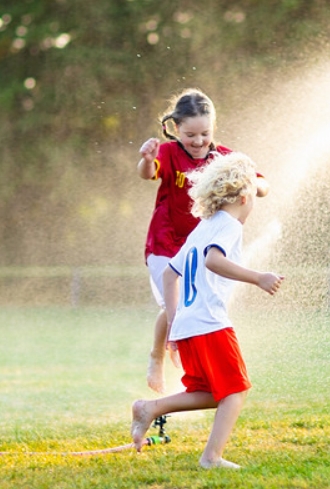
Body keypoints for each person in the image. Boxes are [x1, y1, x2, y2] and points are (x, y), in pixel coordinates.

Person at [131, 152, 284, 469]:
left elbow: (169, 275)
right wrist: (259, 278)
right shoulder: (229, 225)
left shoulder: (203, 226)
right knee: (236, 390)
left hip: (189, 325)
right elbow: (213, 260)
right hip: (210, 324)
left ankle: (150, 408)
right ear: (244, 196)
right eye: (253, 198)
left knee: (212, 392)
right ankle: (211, 457)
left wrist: (174, 325)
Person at [137, 88, 268, 393]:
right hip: (165, 243)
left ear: (214, 129)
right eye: (190, 134)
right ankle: (158, 355)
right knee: (177, 305)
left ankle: (192, 369)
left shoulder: (224, 159)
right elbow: (147, 174)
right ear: (175, 129)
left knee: (192, 306)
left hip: (199, 244)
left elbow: (262, 182)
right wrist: (146, 159)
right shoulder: (168, 153)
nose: (197, 142)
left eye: (204, 134)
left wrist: (254, 183)